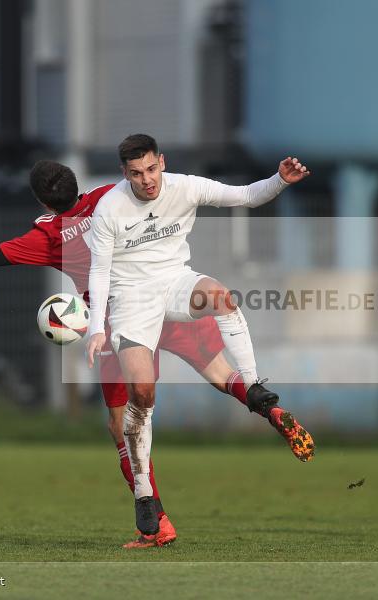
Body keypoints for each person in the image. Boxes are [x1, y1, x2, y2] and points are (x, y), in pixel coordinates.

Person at [0, 160, 314, 549]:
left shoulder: (49, 236)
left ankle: (156, 521)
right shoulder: (112, 196)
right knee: (223, 374)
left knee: (122, 424)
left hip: (120, 325)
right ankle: (269, 409)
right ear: (77, 185)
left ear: (44, 203)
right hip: (168, 300)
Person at [85, 134, 312, 542]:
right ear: (125, 174)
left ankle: (255, 384)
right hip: (131, 301)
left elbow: (245, 196)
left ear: (162, 162)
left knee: (223, 297)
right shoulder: (109, 208)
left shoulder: (185, 186)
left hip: (174, 283)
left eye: (152, 169)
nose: (147, 180)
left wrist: (279, 180)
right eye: (136, 174)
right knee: (142, 394)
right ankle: (143, 494)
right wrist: (96, 329)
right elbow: (99, 271)